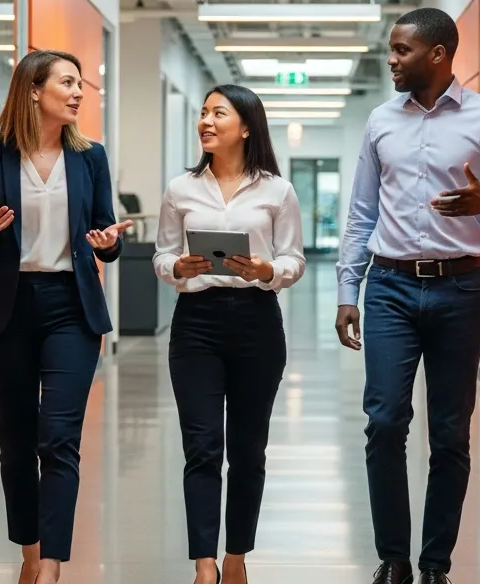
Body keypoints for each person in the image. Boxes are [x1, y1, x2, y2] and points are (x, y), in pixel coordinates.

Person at [336, 8, 480, 584]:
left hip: (460, 288)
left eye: (401, 51)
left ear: (439, 54)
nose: (391, 60)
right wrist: (350, 289)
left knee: (449, 432)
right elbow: (360, 215)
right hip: (391, 288)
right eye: (391, 50)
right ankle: (393, 558)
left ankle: (435, 565)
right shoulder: (380, 122)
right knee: (384, 422)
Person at [0, 49, 132, 584]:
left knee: (58, 436)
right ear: (34, 90)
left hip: (70, 309)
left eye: (81, 85)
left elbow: (105, 236)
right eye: (68, 83)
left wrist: (106, 245)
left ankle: (52, 565)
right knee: (16, 439)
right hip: (8, 309)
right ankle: (29, 553)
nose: (79, 92)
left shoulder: (90, 157)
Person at [153, 84, 306, 584]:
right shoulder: (180, 188)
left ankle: (236, 558)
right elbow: (161, 256)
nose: (206, 121)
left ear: (245, 126)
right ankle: (204, 565)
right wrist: (178, 264)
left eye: (218, 113)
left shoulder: (277, 190)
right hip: (196, 320)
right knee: (201, 446)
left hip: (257, 322)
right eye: (202, 113)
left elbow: (294, 260)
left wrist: (266, 270)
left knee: (247, 449)